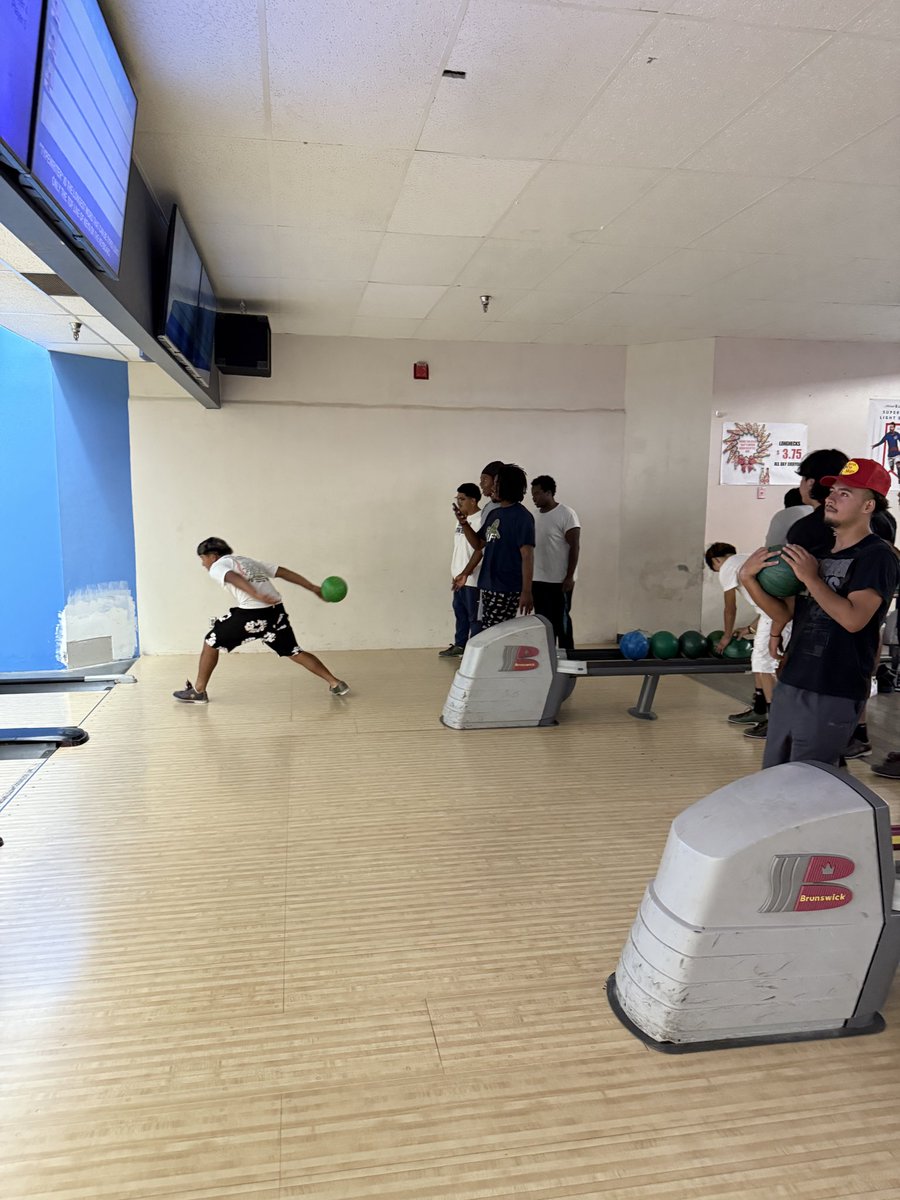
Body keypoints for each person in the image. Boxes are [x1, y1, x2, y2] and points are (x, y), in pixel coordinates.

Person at [738, 459, 900, 769]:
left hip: (832, 687)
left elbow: (854, 619)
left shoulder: (876, 556)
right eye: (833, 490)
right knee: (776, 775)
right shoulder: (820, 553)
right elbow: (786, 612)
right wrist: (748, 579)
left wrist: (811, 578)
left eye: (845, 493)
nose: (831, 497)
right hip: (792, 681)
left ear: (868, 505)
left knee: (812, 782)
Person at [173, 537, 349, 703]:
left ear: (213, 556)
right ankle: (335, 683)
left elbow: (232, 577)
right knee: (293, 651)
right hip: (275, 612)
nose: (203, 564)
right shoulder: (246, 561)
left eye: (203, 558)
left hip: (253, 614)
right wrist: (312, 587)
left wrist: (255, 594)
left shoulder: (218, 565)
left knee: (211, 641)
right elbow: (282, 572)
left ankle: (198, 692)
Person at [704, 541, 777, 734]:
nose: (719, 571)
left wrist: (726, 636)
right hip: (775, 613)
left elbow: (730, 608)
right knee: (759, 664)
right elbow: (766, 603)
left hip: (775, 618)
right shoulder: (746, 558)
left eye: (715, 568)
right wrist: (751, 628)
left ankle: (774, 722)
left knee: (765, 666)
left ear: (716, 560)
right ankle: (760, 709)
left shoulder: (727, 567)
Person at [456, 463, 535, 629]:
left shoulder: (522, 517)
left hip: (506, 587)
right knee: (489, 630)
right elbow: (478, 544)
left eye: (497, 483)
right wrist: (464, 523)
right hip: (488, 584)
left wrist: (526, 591)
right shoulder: (494, 513)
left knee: (496, 632)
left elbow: (527, 556)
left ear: (507, 486)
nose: (493, 487)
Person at [530, 475, 580, 649]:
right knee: (543, 623)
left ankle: (568, 657)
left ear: (549, 493)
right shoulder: (533, 517)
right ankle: (547, 658)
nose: (533, 497)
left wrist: (569, 576)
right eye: (532, 494)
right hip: (538, 580)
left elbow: (575, 547)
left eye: (537, 493)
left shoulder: (566, 514)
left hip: (559, 581)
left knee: (561, 622)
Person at [439, 483, 482, 658]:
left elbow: (480, 550)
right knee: (460, 612)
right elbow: (460, 549)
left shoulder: (482, 519)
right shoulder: (460, 521)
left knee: (475, 616)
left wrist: (466, 572)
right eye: (457, 499)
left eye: (462, 499)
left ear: (473, 500)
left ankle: (476, 649)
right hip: (459, 578)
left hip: (474, 579)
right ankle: (460, 645)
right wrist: (456, 572)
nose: (459, 502)